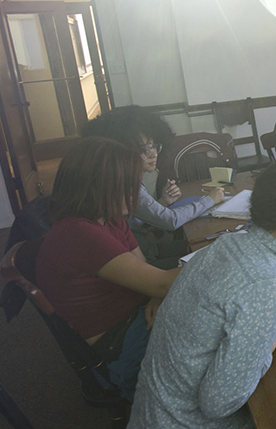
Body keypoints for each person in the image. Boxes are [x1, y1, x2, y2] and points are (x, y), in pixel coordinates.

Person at [130, 159, 276, 428]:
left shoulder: (229, 243)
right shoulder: (267, 284)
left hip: (153, 410)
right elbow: (218, 403)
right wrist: (270, 342)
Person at [35, 137, 181, 402]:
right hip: (121, 346)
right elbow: (160, 282)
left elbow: (146, 273)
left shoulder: (110, 219)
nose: (136, 192)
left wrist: (156, 294)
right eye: (128, 185)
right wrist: (226, 255)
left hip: (133, 317)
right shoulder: (78, 233)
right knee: (218, 326)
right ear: (99, 186)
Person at [82, 106, 226, 268]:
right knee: (213, 259)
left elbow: (140, 220)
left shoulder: (129, 180)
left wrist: (163, 202)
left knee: (211, 246)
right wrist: (209, 200)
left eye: (154, 146)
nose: (153, 154)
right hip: (147, 262)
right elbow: (170, 221)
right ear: (121, 152)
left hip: (149, 251)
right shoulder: (127, 186)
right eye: (144, 149)